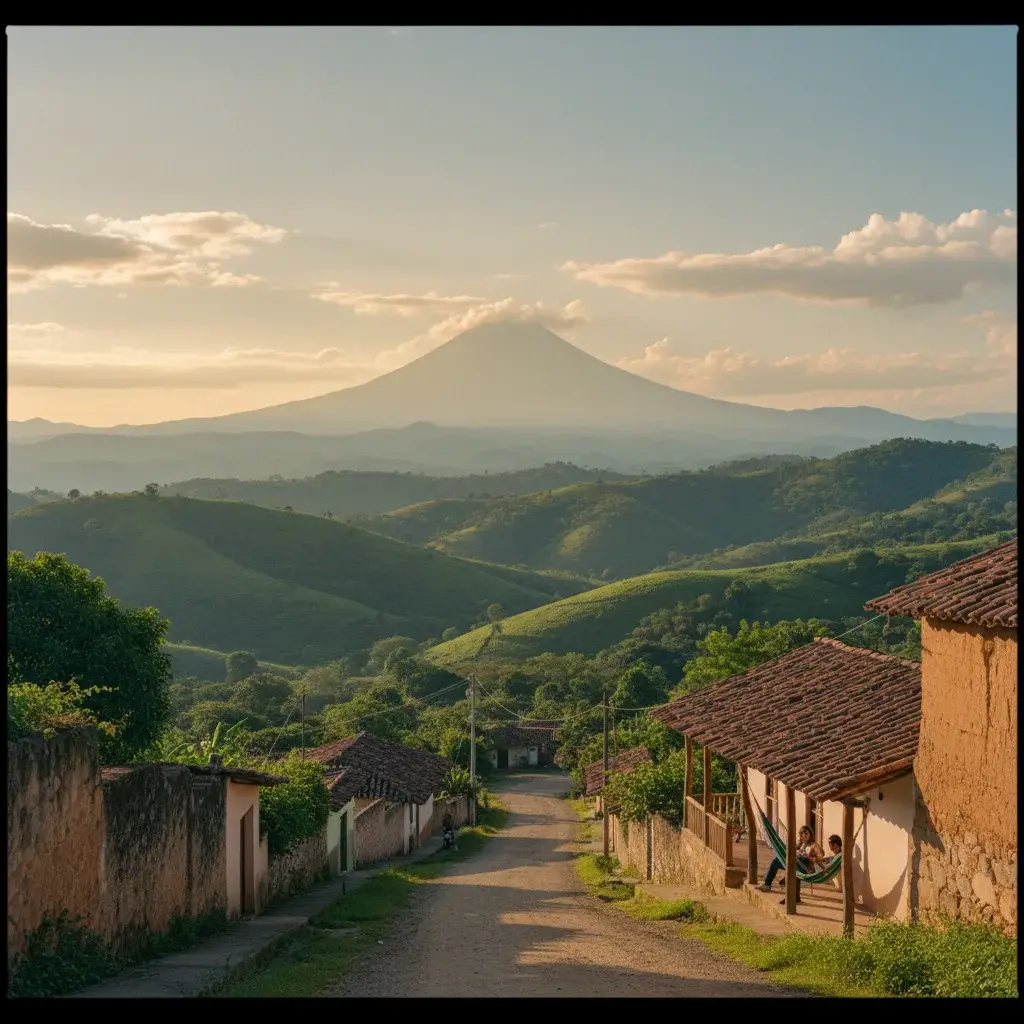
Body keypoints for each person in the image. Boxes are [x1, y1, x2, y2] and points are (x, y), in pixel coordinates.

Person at [757, 824, 824, 904]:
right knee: (776, 860)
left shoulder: (814, 845)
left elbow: (821, 855)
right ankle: (767, 884)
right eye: (802, 834)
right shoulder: (800, 845)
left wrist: (811, 858)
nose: (804, 836)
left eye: (806, 834)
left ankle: (792, 895)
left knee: (797, 864)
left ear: (810, 835)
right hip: (795, 865)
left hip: (805, 869)